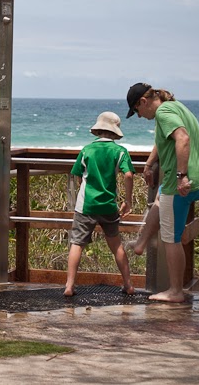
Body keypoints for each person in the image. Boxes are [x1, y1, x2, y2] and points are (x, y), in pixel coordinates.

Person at [126, 82, 199, 303]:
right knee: (160, 201)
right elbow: (163, 140)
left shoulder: (164, 113)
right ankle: (141, 243)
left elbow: (182, 138)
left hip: (181, 184)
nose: (139, 116)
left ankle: (176, 290)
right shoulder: (175, 107)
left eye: (136, 110)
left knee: (171, 238)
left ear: (143, 102)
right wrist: (149, 164)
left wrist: (181, 176)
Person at [64, 111, 135, 297]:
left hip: (85, 205)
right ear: (115, 132)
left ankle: (69, 286)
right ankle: (128, 284)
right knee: (116, 245)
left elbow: (77, 174)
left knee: (77, 243)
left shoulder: (87, 150)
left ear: (98, 130)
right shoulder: (120, 151)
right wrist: (128, 200)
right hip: (109, 205)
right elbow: (128, 174)